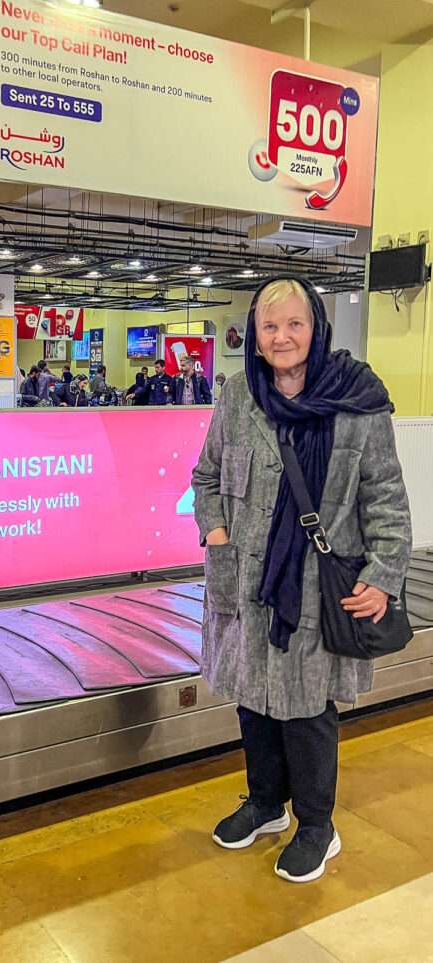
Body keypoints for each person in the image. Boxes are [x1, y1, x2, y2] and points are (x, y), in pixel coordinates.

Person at [192, 277, 412, 884]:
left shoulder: (356, 400)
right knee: (253, 698)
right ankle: (266, 804)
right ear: (255, 335)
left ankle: (317, 825)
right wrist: (217, 536)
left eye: (295, 324)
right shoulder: (239, 395)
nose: (282, 337)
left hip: (318, 586)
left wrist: (383, 575)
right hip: (246, 582)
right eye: (269, 326)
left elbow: (386, 499)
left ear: (317, 327)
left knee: (308, 707)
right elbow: (206, 477)